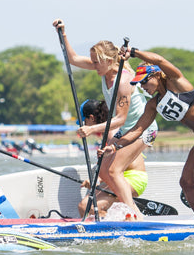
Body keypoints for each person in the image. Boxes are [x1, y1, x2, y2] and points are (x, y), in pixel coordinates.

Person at [103, 49, 194, 225]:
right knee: (186, 182)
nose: (142, 87)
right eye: (139, 84)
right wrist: (115, 146)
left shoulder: (177, 82)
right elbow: (136, 131)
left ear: (156, 75)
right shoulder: (153, 104)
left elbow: (159, 59)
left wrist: (133, 52)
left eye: (145, 82)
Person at [54, 19, 158, 215]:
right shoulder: (104, 71)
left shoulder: (123, 82)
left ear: (109, 61)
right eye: (92, 61)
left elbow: (119, 119)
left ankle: (133, 213)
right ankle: (125, 208)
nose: (93, 66)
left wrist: (91, 129)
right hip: (129, 129)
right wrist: (63, 34)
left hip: (144, 129)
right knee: (104, 170)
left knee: (113, 170)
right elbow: (73, 59)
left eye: (96, 62)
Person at [77, 99, 149, 218]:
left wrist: (97, 180)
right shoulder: (111, 131)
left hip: (132, 178)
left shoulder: (112, 133)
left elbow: (115, 165)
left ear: (91, 118)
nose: (84, 126)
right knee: (86, 207)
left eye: (85, 121)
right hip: (126, 177)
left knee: (85, 207)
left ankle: (132, 218)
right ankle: (123, 219)